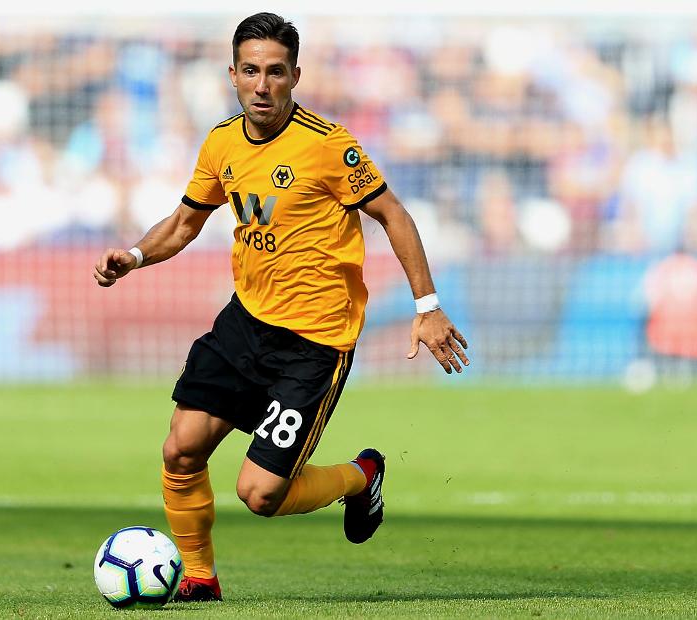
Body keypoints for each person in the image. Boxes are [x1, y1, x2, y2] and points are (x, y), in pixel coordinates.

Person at [93, 13, 469, 602]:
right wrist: (136, 256)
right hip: (245, 323)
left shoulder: (327, 144)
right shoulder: (221, 142)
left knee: (260, 494)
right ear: (232, 75)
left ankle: (362, 476)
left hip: (314, 343)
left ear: (295, 76)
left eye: (274, 72)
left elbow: (393, 213)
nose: (262, 85)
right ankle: (200, 579)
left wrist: (428, 306)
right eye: (250, 71)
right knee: (180, 449)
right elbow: (185, 222)